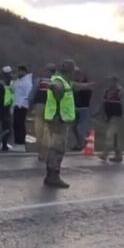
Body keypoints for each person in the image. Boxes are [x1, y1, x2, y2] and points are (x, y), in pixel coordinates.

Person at [43, 59, 93, 188]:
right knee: (57, 148)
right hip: (58, 120)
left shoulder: (66, 82)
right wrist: (53, 87)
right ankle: (52, 176)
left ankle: (51, 174)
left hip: (58, 119)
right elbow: (57, 87)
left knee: (56, 147)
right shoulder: (59, 81)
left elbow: (76, 86)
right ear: (69, 71)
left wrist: (91, 85)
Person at [28, 63, 57, 162]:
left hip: (40, 106)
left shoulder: (39, 81)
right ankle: (45, 152)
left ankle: (41, 153)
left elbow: (32, 94)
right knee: (47, 131)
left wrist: (29, 106)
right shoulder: (57, 82)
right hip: (51, 108)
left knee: (39, 131)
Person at [97, 75, 124, 163]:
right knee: (115, 137)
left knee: (109, 134)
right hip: (109, 117)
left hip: (118, 117)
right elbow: (103, 104)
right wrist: (101, 114)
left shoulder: (120, 92)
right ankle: (118, 156)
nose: (109, 83)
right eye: (108, 81)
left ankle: (105, 154)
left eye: (111, 81)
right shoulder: (106, 91)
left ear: (115, 82)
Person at [10, 65, 33, 152]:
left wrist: (24, 103)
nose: (18, 73)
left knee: (20, 125)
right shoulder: (18, 81)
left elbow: (28, 94)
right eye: (18, 71)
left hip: (22, 106)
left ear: (24, 72)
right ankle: (17, 143)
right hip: (16, 105)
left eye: (20, 71)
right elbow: (13, 89)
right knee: (16, 125)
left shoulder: (27, 82)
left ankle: (21, 144)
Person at [71, 68, 93, 151]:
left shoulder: (87, 87)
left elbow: (85, 95)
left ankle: (82, 143)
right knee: (74, 127)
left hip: (83, 108)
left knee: (80, 128)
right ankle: (79, 143)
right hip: (75, 107)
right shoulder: (75, 84)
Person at [0, 66, 14, 151]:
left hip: (8, 106)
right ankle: (0, 144)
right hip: (2, 107)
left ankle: (4, 144)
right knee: (1, 128)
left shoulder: (12, 83)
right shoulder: (1, 84)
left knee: (7, 128)